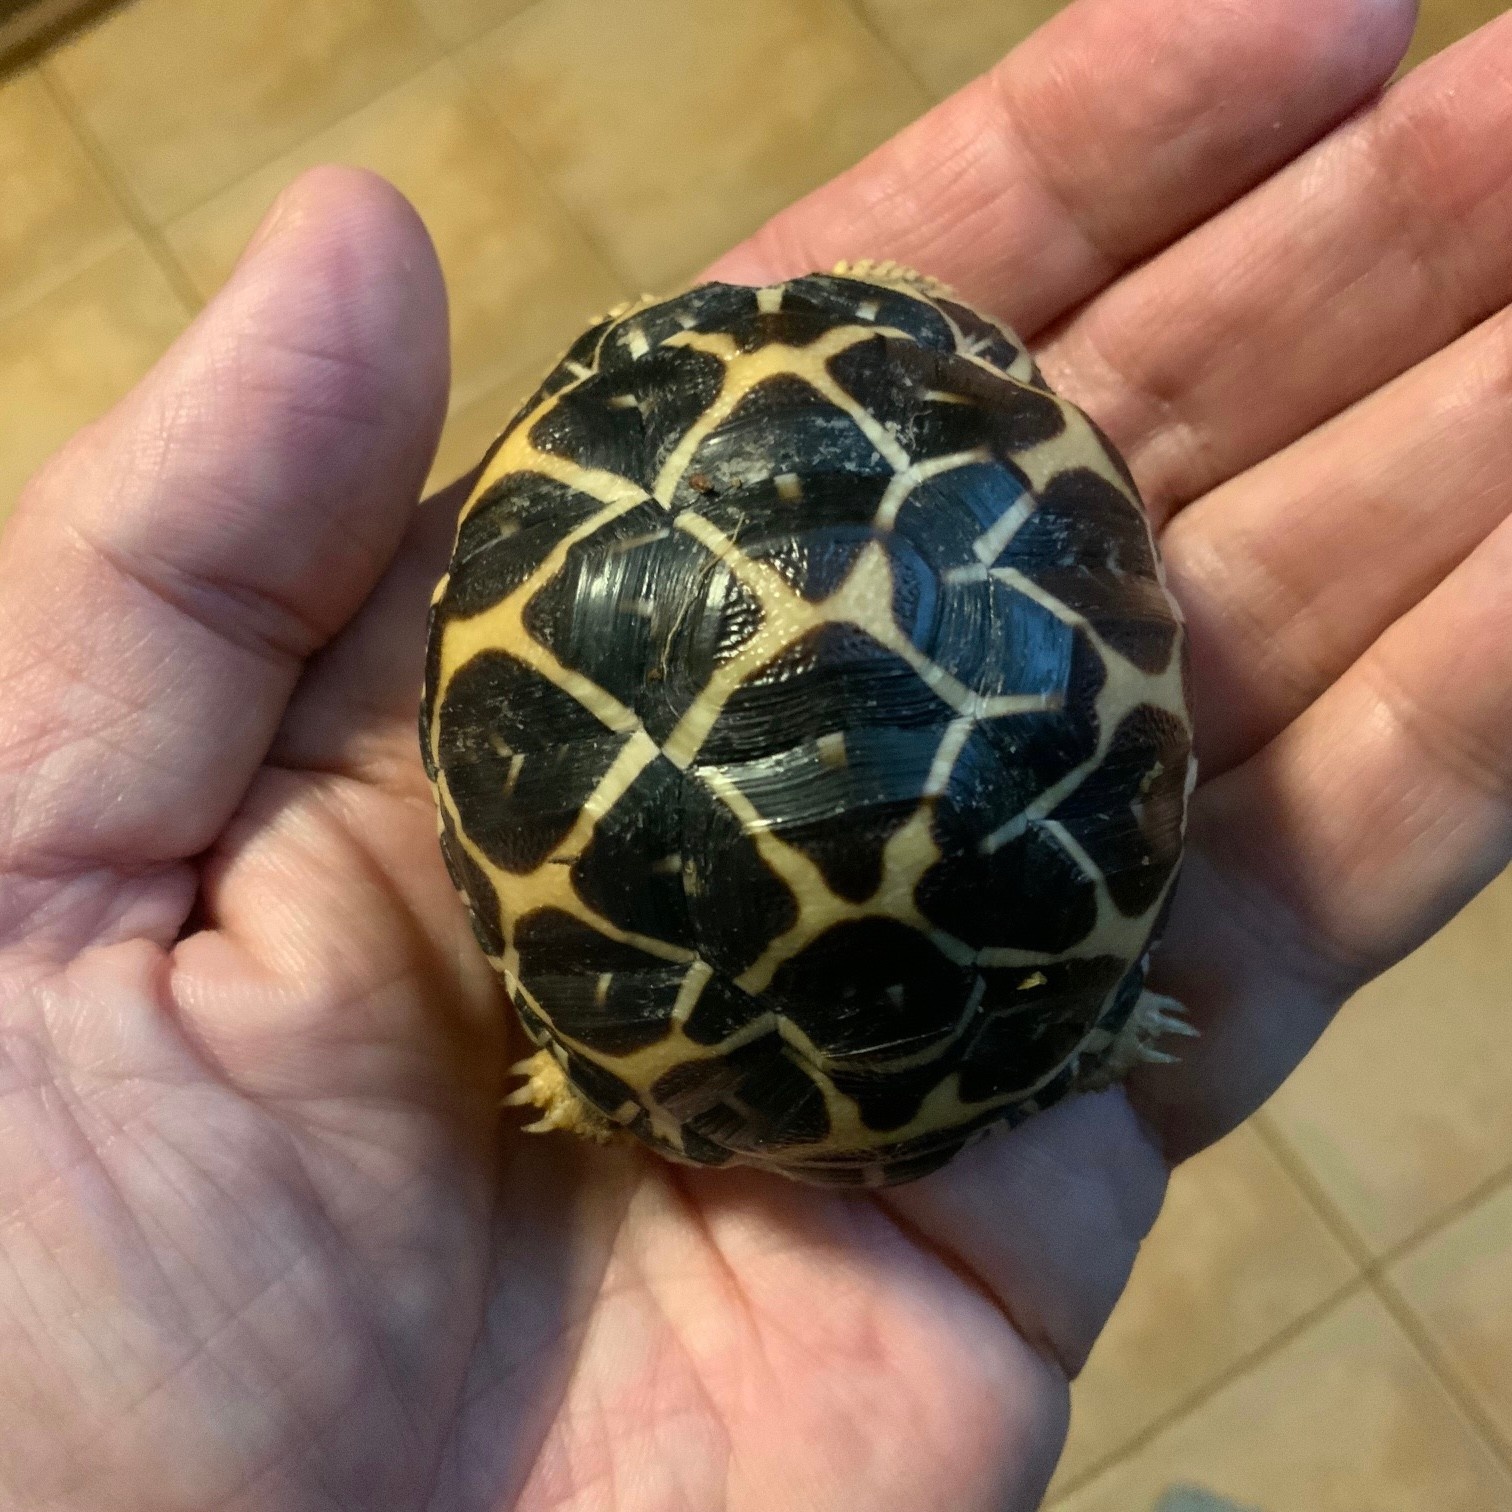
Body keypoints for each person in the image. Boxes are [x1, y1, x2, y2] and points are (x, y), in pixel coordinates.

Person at [0, 0, 1506, 1505]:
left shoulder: (575, 436)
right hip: (1002, 1006)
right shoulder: (976, 401)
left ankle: (615, 1076)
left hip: (703, 1058)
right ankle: (1037, 1020)